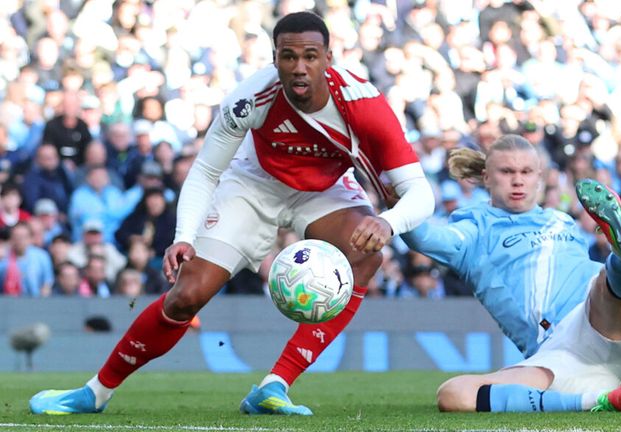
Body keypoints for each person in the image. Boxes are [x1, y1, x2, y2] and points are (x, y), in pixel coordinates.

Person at [29, 11, 433, 416]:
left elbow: (420, 193)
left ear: (329, 57)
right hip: (253, 185)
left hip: (324, 190)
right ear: (274, 58)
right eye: (288, 57)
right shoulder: (250, 98)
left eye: (310, 56)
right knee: (186, 296)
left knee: (365, 254)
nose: (299, 67)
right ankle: (94, 392)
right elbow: (205, 170)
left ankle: (274, 386)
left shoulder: (363, 104)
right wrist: (183, 235)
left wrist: (387, 221)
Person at [399, 134, 621, 413]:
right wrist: (401, 205)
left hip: (598, 314)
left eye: (525, 172)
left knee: (605, 284)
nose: (517, 180)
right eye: (507, 171)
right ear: (486, 177)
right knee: (453, 395)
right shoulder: (475, 227)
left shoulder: (562, 221)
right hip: (557, 355)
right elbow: (425, 239)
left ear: (539, 177)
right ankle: (600, 399)